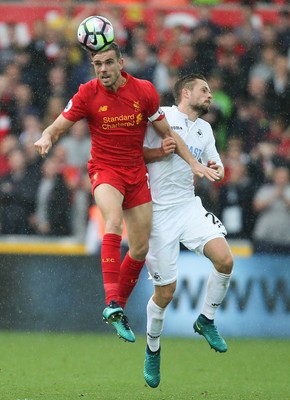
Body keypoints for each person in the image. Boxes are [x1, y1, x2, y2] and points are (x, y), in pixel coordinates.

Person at [34, 42, 219, 344]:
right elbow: (57, 127)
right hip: (105, 170)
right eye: (97, 64)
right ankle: (112, 304)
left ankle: (116, 304)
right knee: (113, 223)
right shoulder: (87, 93)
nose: (103, 69)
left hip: (135, 173)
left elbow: (167, 134)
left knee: (141, 248)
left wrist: (193, 163)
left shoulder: (143, 91)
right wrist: (45, 137)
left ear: (121, 62)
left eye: (108, 63)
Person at [143, 73, 234, 388]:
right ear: (185, 92)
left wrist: (217, 170)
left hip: (187, 205)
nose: (210, 95)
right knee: (165, 293)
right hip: (156, 212)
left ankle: (206, 319)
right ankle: (153, 348)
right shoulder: (163, 116)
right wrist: (159, 152)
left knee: (225, 260)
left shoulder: (206, 129)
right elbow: (132, 154)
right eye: (204, 90)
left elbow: (215, 165)